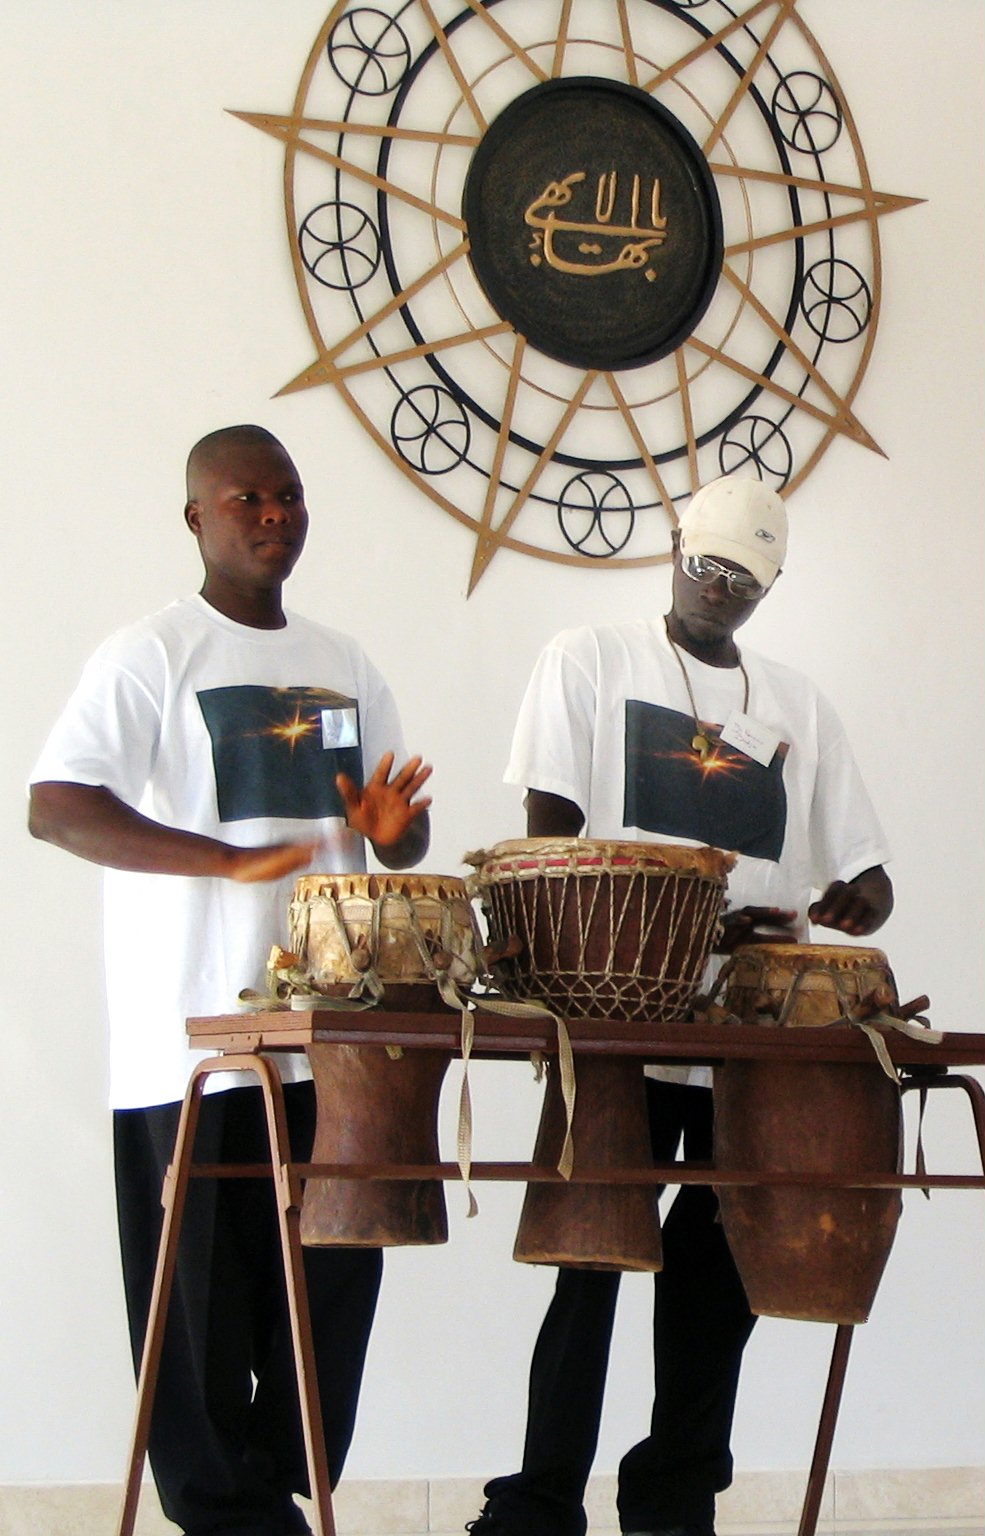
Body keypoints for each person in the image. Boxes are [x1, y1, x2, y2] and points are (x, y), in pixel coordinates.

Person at [467, 475, 893, 1536]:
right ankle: (538, 1507)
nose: (720, 592)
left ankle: (671, 1502)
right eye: (707, 568)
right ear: (675, 550)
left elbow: (871, 879)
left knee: (719, 1279)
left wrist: (849, 899)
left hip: (748, 1041)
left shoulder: (797, 704)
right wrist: (686, 929)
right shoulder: (590, 661)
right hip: (618, 1025)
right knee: (588, 1265)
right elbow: (549, 837)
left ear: (769, 587)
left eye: (744, 581)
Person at [28, 424, 432, 1536]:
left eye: (290, 495)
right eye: (245, 497)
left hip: (334, 1037)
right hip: (193, 1046)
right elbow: (55, 805)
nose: (272, 515)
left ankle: (271, 1499)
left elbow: (395, 836)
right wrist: (221, 858)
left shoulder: (345, 662)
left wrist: (394, 834)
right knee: (202, 1310)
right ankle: (229, 1514)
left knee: (333, 1286)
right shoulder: (150, 654)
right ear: (196, 518)